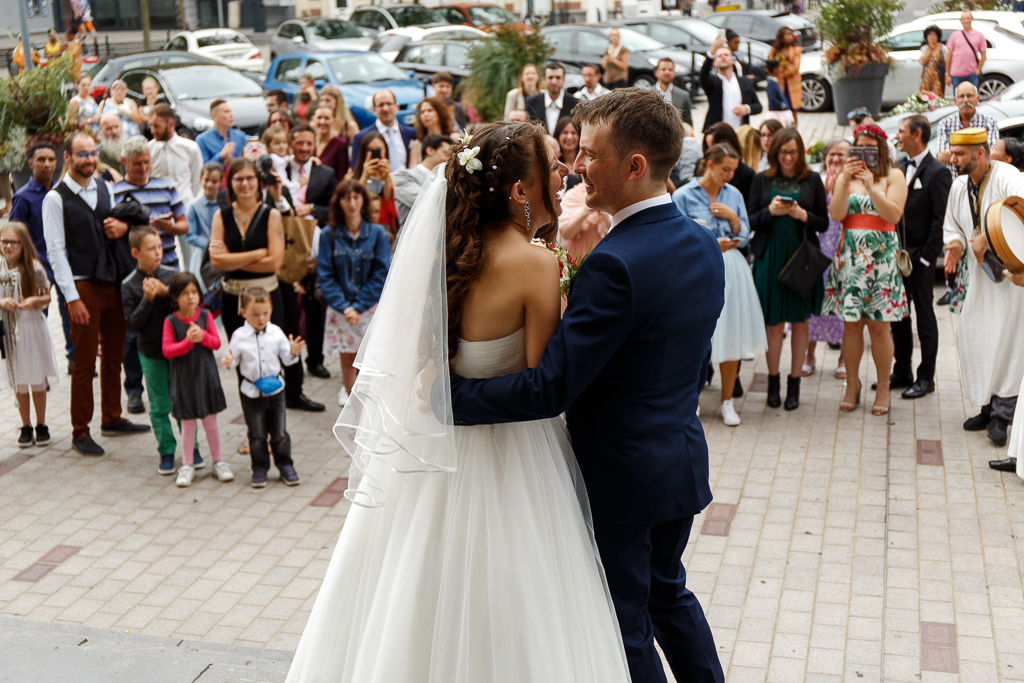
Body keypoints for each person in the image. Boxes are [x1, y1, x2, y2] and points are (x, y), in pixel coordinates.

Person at [285, 118, 639, 683]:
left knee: (407, 583)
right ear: (521, 191)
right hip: (517, 455)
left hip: (434, 452)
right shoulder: (537, 265)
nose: (564, 172)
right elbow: (541, 381)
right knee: (522, 603)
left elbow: (429, 359)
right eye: (551, 166)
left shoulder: (447, 255)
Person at [445, 92, 725, 683]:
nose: (576, 165)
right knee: (668, 597)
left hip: (623, 476)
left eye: (592, 154)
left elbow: (550, 389)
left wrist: (452, 399)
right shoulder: (701, 241)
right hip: (678, 460)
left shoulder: (615, 263)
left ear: (634, 166)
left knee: (624, 623)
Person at [43, 132, 150, 456]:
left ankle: (112, 418)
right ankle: (80, 430)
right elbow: (56, 252)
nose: (89, 159)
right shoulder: (55, 198)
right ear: (68, 157)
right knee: (85, 362)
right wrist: (71, 297)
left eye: (92, 153)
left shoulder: (106, 186)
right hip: (83, 286)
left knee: (114, 356)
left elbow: (119, 228)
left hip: (113, 283)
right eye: (82, 154)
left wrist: (125, 229)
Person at [941, 127, 1024, 446]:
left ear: (980, 153)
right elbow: (953, 224)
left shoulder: (1008, 175)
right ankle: (987, 407)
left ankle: (1005, 416)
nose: (953, 160)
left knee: (1009, 341)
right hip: (980, 276)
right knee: (975, 334)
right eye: (953, 153)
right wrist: (956, 244)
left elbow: (1018, 207)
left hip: (1012, 274)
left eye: (960, 155)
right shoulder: (960, 185)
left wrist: (985, 236)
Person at [673, 144, 766, 426]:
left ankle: (727, 401)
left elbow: (747, 236)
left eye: (733, 171)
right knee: (696, 337)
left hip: (732, 268)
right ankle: (694, 401)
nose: (729, 175)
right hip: (698, 268)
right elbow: (676, 234)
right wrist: (711, 241)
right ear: (709, 165)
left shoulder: (734, 194)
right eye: (725, 169)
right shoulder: (683, 195)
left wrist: (735, 220)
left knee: (732, 333)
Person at [823, 124, 908, 416]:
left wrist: (873, 186)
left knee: (880, 327)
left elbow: (893, 214)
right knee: (851, 325)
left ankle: (883, 385)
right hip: (850, 259)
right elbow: (836, 215)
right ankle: (852, 383)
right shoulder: (844, 178)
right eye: (859, 147)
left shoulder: (894, 175)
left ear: (881, 149)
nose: (865, 153)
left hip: (882, 260)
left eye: (871, 148)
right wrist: (844, 182)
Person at [748, 128, 829, 411]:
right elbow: (750, 220)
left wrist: (803, 215)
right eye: (783, 152)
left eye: (793, 152)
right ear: (774, 153)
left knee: (800, 321)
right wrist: (770, 212)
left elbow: (823, 223)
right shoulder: (761, 180)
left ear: (801, 153)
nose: (787, 157)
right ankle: (773, 381)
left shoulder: (813, 179)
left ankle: (794, 384)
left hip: (801, 257)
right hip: (769, 256)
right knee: (773, 323)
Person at [122, 226, 194, 475]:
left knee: (183, 401)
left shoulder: (174, 276)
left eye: (160, 247)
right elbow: (132, 323)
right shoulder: (129, 284)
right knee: (159, 405)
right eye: (151, 249)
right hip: (150, 353)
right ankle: (166, 450)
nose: (158, 253)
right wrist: (147, 299)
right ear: (135, 252)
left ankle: (191, 448)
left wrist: (168, 294)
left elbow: (189, 308)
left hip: (178, 350)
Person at [891, 115, 951, 400]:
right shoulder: (899, 167)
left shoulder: (938, 172)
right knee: (898, 316)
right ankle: (901, 369)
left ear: (917, 135)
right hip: (897, 255)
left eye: (901, 131)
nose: (897, 136)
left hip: (921, 258)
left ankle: (926, 377)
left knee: (924, 317)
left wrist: (928, 259)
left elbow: (940, 219)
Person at [221, 286, 304, 488]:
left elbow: (287, 359)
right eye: (255, 314)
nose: (261, 318)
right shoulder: (240, 336)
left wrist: (293, 352)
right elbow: (232, 361)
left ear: (271, 310)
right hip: (251, 393)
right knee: (257, 435)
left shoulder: (276, 333)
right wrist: (229, 361)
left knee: (280, 433)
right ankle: (259, 468)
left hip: (276, 390)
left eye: (265, 313)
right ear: (244, 313)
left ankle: (285, 465)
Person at [318, 181, 391, 406]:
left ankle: (369, 410)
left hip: (368, 307)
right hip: (341, 308)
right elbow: (325, 275)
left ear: (363, 201)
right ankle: (354, 412)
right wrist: (345, 306)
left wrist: (357, 306)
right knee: (347, 359)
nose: (352, 203)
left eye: (356, 197)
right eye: (346, 198)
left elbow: (381, 274)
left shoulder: (378, 233)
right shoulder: (328, 234)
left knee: (369, 361)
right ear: (338, 202)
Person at [161, 272, 231, 487]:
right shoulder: (170, 321)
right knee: (188, 425)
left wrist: (203, 337)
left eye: (194, 292)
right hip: (184, 382)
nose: (190, 297)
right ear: (175, 298)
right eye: (184, 293)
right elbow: (167, 350)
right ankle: (187, 464)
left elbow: (217, 343)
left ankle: (218, 461)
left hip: (206, 378)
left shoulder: (206, 316)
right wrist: (187, 343)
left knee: (211, 423)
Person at [10, 142, 73, 374]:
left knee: (70, 314)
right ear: (31, 164)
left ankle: (74, 363)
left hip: (63, 265)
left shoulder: (61, 193)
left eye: (50, 160)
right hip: (37, 269)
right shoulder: (23, 197)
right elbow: (16, 236)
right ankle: (38, 369)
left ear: (57, 163)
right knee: (37, 320)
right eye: (41, 160)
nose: (46, 164)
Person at [0, 222, 58, 448]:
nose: (9, 247)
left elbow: (47, 297)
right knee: (19, 380)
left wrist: (34, 300)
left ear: (23, 244)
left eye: (14, 242)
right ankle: (25, 425)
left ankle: (41, 423)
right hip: (8, 331)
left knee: (36, 378)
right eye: (4, 242)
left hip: (31, 327)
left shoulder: (34, 268)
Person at [805, 138, 848, 378]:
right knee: (816, 299)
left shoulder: (855, 182)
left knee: (841, 301)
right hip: (819, 245)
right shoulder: (817, 180)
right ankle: (809, 355)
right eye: (832, 154)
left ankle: (843, 357)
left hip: (844, 245)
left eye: (841, 155)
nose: (835, 159)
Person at [113, 136, 188, 270]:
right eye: (137, 163)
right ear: (124, 161)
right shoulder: (114, 192)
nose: (143, 168)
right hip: (135, 270)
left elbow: (184, 225)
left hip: (169, 265)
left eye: (146, 162)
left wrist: (169, 228)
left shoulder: (166, 186)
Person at [936, 81, 999, 172]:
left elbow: (992, 155)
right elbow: (941, 156)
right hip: (953, 181)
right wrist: (976, 154)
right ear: (955, 101)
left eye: (969, 96)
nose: (965, 100)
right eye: (961, 96)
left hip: (982, 180)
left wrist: (956, 154)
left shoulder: (989, 122)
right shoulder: (945, 124)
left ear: (977, 99)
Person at [148, 104, 203, 206]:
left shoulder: (190, 148)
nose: (152, 131)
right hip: (159, 208)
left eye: (156, 126)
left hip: (186, 207)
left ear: (171, 124)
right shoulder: (149, 149)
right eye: (151, 125)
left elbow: (198, 183)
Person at [700, 42, 761, 132]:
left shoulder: (745, 81)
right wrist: (711, 53)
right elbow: (703, 74)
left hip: (740, 132)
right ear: (714, 63)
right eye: (719, 56)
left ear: (733, 60)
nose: (723, 57)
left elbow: (758, 106)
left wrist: (747, 108)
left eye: (726, 55)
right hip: (718, 132)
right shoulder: (712, 82)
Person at [352, 90, 416, 174]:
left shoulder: (411, 133)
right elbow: (356, 170)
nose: (385, 109)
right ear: (374, 110)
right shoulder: (361, 137)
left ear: (397, 107)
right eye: (381, 105)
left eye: (389, 104)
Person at [393, 134, 452, 225]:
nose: (448, 159)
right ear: (430, 150)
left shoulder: (448, 180)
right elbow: (424, 201)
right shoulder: (403, 176)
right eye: (446, 154)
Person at [349, 132, 398, 235]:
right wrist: (365, 176)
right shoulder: (352, 179)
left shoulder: (394, 177)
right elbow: (353, 202)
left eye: (379, 149)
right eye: (370, 149)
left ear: (385, 151)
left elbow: (393, 206)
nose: (375, 153)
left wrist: (387, 177)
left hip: (388, 232)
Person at [185, 162, 224, 271]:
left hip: (224, 255)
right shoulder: (193, 206)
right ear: (200, 178)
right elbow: (190, 235)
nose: (209, 185)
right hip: (201, 256)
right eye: (206, 180)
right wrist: (211, 245)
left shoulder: (226, 205)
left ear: (221, 182)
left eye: (214, 181)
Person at [557, 182, 611, 260]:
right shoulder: (572, 195)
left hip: (603, 250)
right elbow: (565, 234)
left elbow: (620, 229)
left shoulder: (610, 193)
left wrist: (605, 215)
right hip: (578, 252)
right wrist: (584, 213)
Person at [702, 122, 755, 197]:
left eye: (715, 147)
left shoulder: (746, 174)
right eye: (708, 147)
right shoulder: (701, 165)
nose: (730, 175)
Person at [526, 63, 576, 136]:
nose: (554, 82)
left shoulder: (575, 103)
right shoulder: (532, 103)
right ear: (544, 79)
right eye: (550, 77)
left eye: (558, 77)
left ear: (564, 80)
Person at [767, 27, 802, 124]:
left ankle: (794, 131)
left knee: (793, 110)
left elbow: (795, 67)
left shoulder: (796, 50)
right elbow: (770, 66)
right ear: (781, 36)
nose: (790, 37)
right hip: (779, 84)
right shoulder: (774, 50)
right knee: (780, 109)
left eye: (791, 34)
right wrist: (786, 66)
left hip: (792, 84)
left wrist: (781, 71)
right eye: (787, 34)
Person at [196, 100, 247, 164]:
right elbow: (203, 168)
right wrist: (220, 156)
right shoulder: (202, 140)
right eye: (226, 112)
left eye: (231, 111)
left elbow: (247, 160)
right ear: (214, 116)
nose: (231, 115)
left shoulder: (240, 136)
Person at [408, 96, 454, 167]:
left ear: (440, 113)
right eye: (422, 112)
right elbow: (412, 171)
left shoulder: (454, 138)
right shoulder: (417, 145)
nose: (426, 114)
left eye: (430, 110)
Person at [946, 10, 985, 91]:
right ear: (960, 21)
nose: (966, 21)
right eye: (963, 19)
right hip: (956, 74)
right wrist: (947, 74)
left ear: (972, 19)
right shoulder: (954, 35)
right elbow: (949, 56)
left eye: (968, 18)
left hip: (972, 73)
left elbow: (984, 56)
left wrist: (978, 69)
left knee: (972, 96)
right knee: (958, 97)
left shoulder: (979, 35)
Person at [311, 105, 350, 178]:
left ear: (334, 121)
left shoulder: (341, 144)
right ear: (313, 119)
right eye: (319, 118)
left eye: (327, 118)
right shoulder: (307, 142)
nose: (322, 122)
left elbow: (341, 176)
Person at [652, 57, 692, 127]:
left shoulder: (683, 96)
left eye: (670, 70)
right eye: (663, 69)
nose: (667, 72)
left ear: (674, 73)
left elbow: (688, 123)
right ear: (656, 73)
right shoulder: (647, 94)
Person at [920, 25, 949, 97]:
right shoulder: (925, 48)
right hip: (927, 78)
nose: (932, 37)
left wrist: (947, 75)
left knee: (937, 96)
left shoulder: (943, 48)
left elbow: (947, 62)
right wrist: (930, 51)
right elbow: (922, 61)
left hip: (938, 78)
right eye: (929, 35)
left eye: (934, 35)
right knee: (925, 96)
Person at [763, 59, 795, 126]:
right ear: (775, 69)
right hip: (777, 113)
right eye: (779, 67)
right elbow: (772, 98)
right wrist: (783, 105)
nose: (781, 69)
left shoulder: (774, 81)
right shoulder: (771, 83)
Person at [97, 113, 128, 179]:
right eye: (108, 129)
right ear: (101, 131)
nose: (114, 132)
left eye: (116, 127)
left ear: (121, 127)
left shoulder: (131, 147)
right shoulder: (98, 153)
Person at [554, 116, 582, 189]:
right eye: (565, 132)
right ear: (558, 135)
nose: (569, 137)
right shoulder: (553, 165)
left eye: (573, 133)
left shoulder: (585, 162)